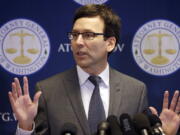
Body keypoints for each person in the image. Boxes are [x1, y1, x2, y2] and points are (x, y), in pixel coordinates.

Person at [8, 4, 180, 135]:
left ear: (110, 43)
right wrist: (25, 126)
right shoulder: (47, 90)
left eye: (88, 35)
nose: (79, 42)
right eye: (75, 35)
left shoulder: (135, 90)